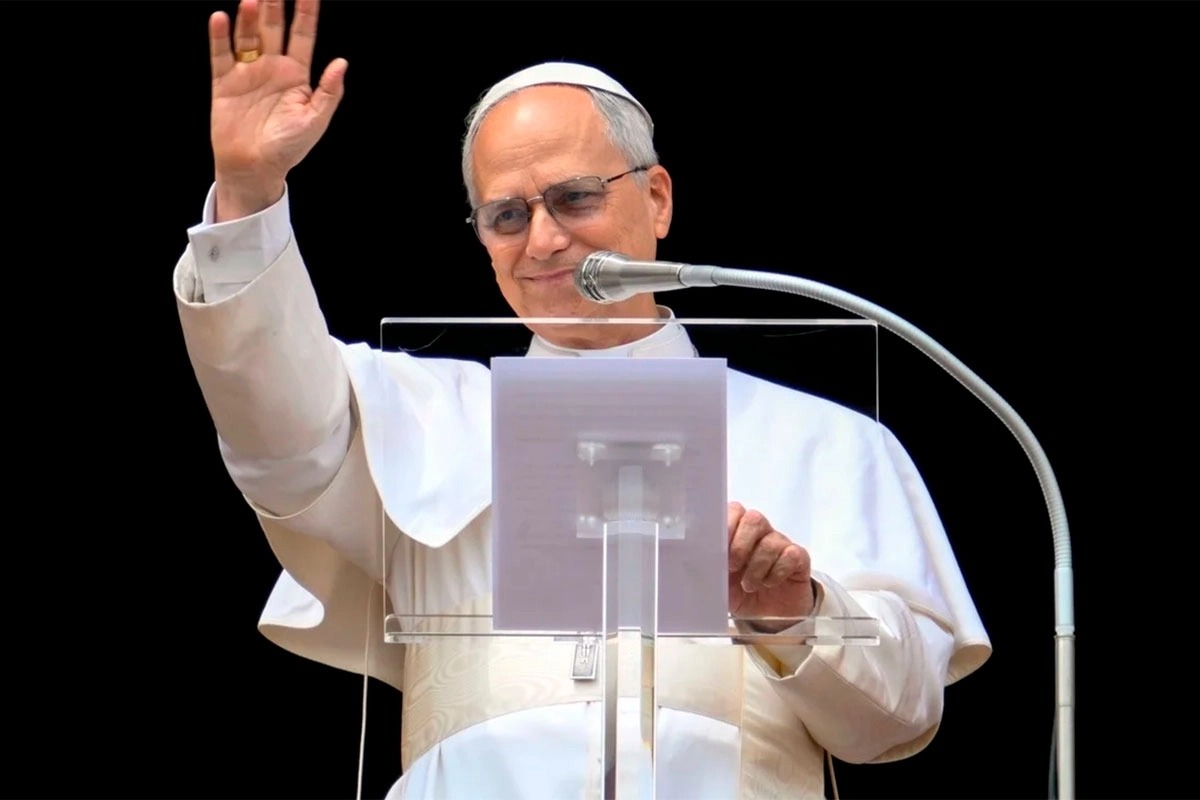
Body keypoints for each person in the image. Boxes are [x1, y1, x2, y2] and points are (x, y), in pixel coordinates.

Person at [174, 0, 992, 796]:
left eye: (574, 198)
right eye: (506, 216)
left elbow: (896, 721)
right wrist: (247, 196)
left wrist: (794, 614)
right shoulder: (419, 412)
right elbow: (273, 426)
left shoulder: (824, 440)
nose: (544, 240)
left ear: (658, 198)